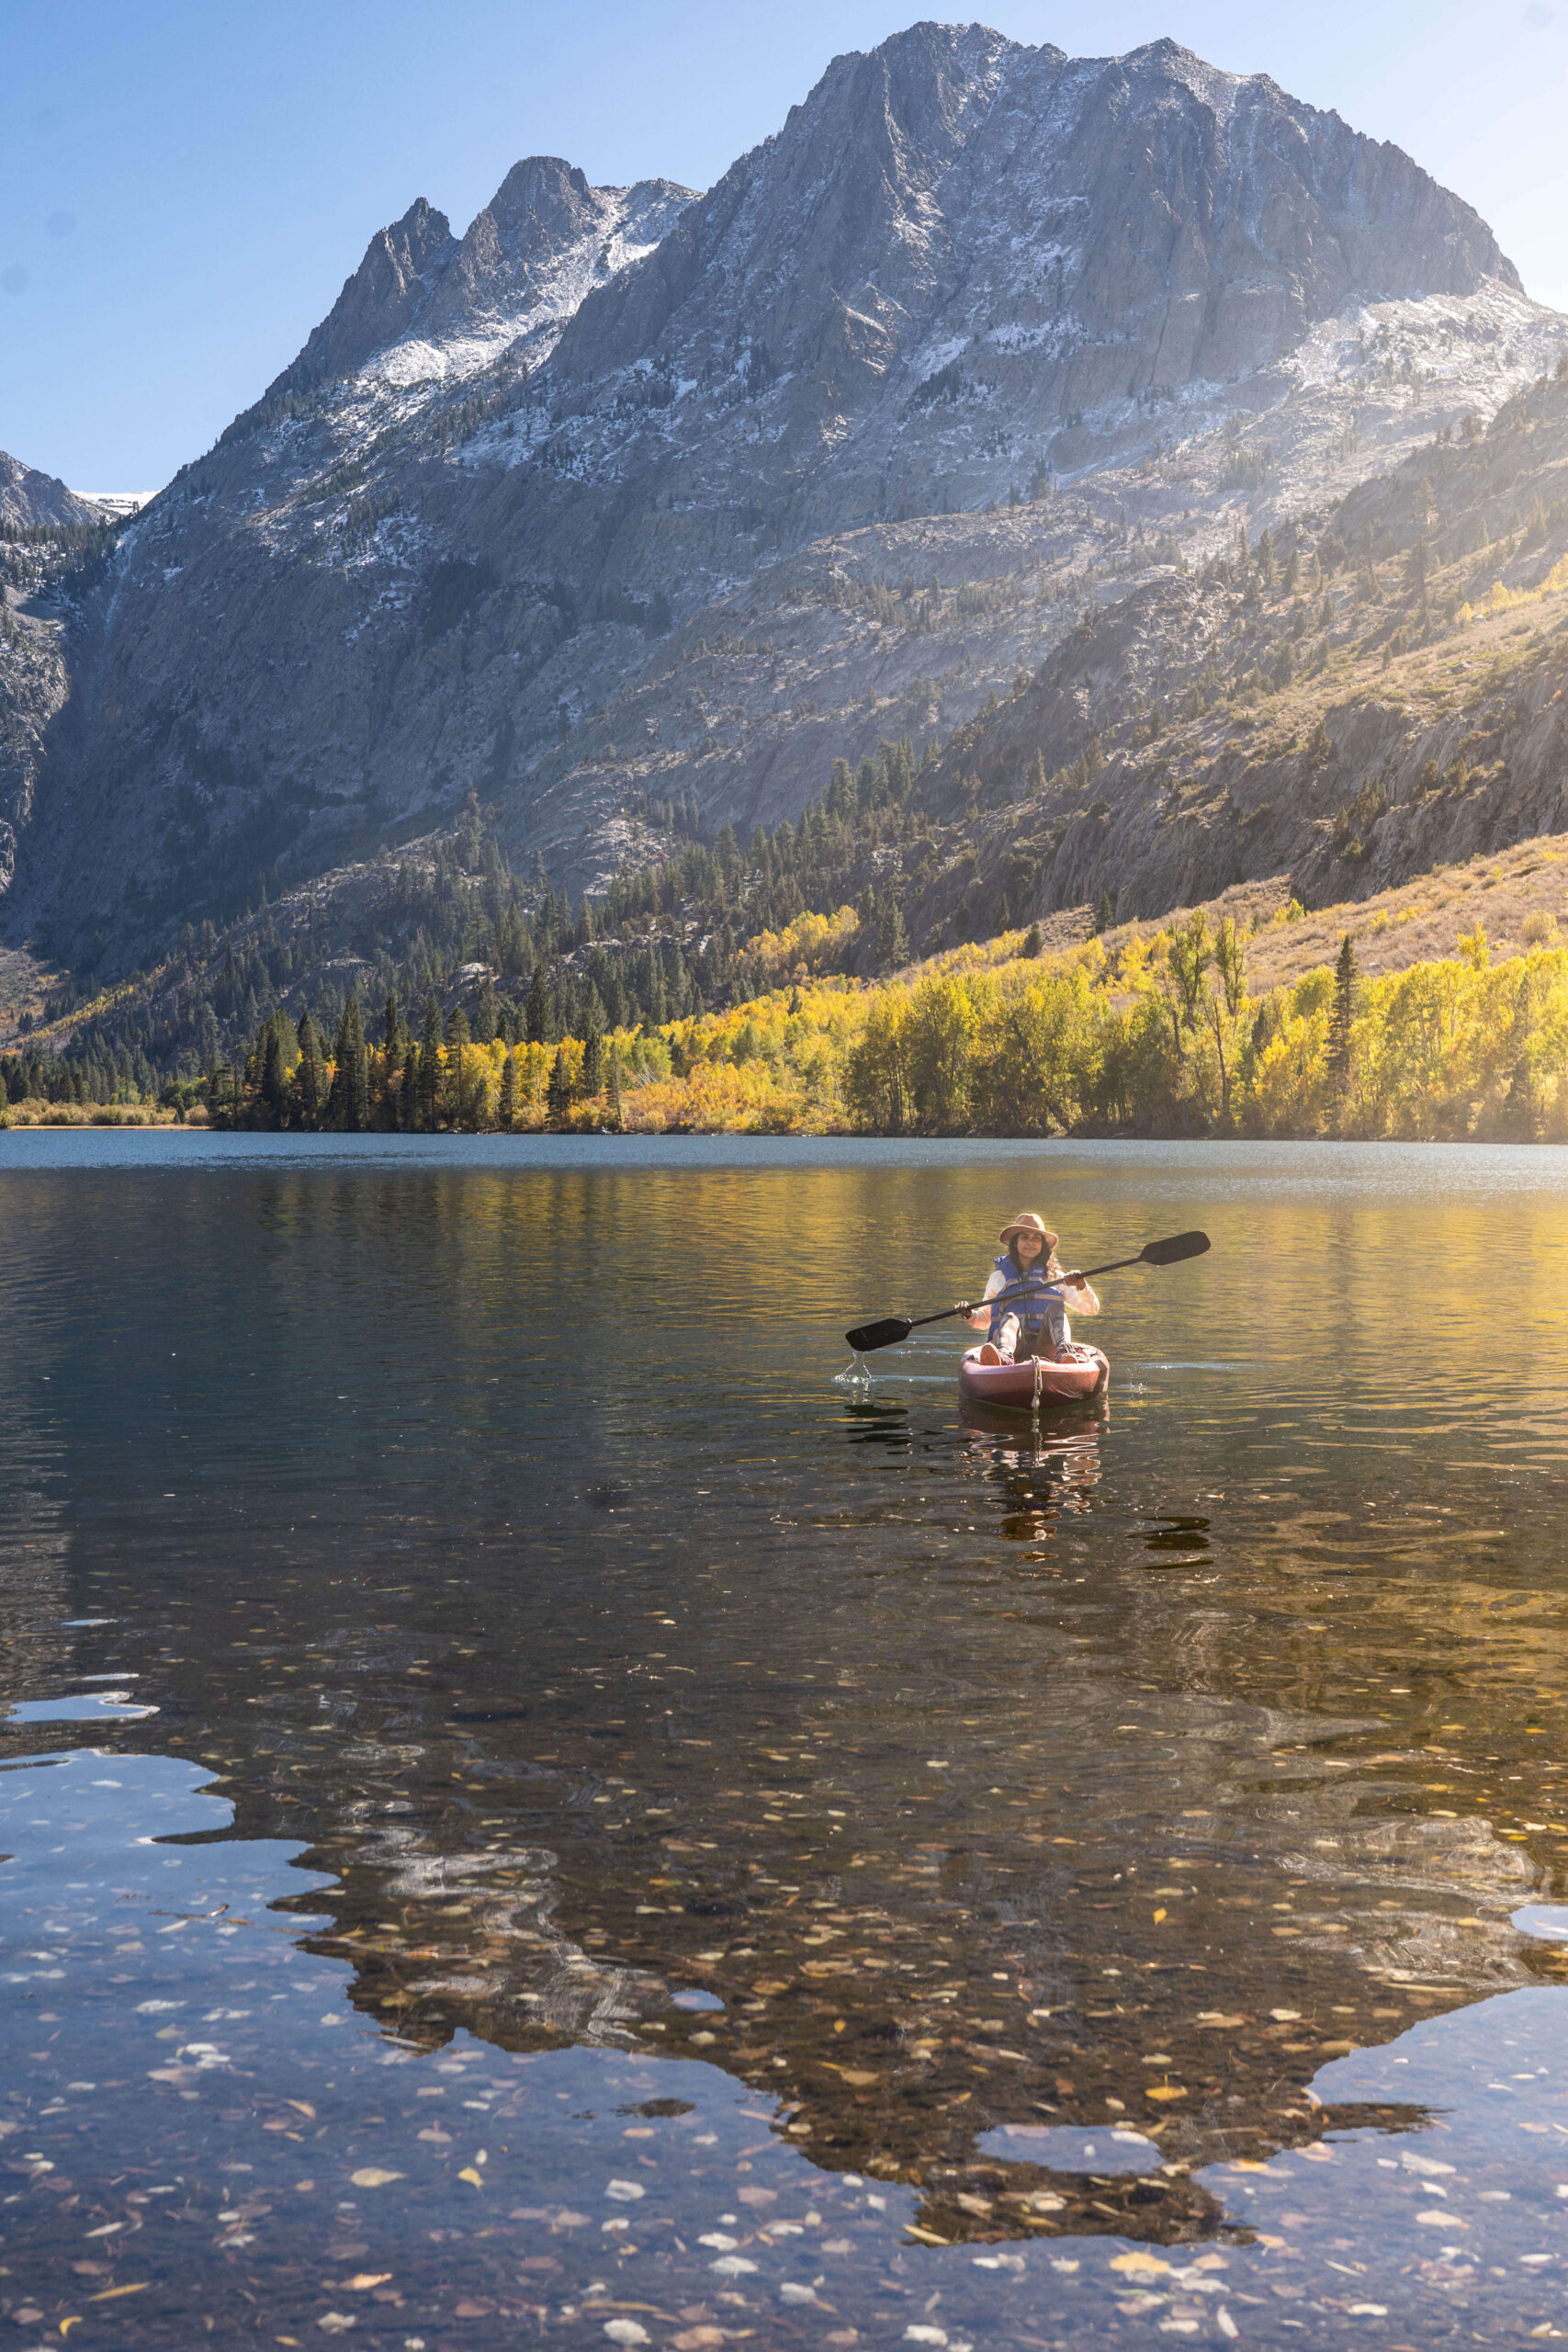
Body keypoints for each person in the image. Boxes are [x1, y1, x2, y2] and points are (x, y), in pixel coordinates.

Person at [966, 1211, 1100, 1366]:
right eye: (1025, 1237)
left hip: (1046, 1347)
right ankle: (1004, 1356)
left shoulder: (1055, 1277)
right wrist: (969, 1315)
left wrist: (1081, 1286)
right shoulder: (998, 1279)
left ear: (1042, 1245)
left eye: (1036, 1238)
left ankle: (1063, 1353)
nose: (1031, 1243)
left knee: (1056, 1309)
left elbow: (1091, 1309)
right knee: (1010, 1316)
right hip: (1015, 1347)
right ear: (1015, 1243)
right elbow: (984, 1321)